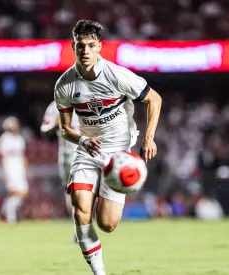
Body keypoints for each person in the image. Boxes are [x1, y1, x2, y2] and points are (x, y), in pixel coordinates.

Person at [54, 20, 162, 275]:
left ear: (99, 47)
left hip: (119, 154)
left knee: (107, 224)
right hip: (87, 151)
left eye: (91, 45)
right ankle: (99, 273)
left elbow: (154, 98)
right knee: (81, 213)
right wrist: (82, 140)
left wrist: (149, 137)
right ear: (73, 46)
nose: (86, 51)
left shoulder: (117, 75)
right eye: (81, 46)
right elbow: (65, 129)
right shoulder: (64, 85)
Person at [40, 100, 79, 216]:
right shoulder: (55, 106)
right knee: (71, 190)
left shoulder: (90, 100)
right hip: (66, 153)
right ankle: (78, 225)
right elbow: (44, 130)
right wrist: (55, 124)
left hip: (87, 151)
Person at [0, 116, 29, 224]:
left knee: (23, 192)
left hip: (19, 169)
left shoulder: (20, 139)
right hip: (9, 169)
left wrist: (26, 169)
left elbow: (23, 156)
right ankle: (11, 217)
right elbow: (2, 157)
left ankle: (4, 209)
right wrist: (4, 172)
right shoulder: (3, 139)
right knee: (14, 192)